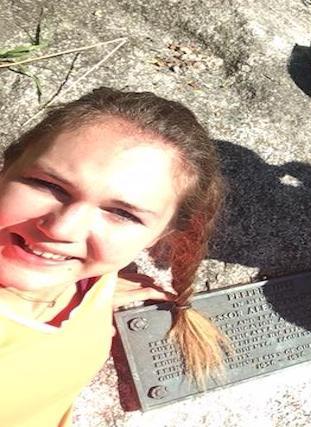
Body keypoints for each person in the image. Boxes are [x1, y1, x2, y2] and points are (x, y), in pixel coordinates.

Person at [0, 88, 228, 426]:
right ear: (6, 169)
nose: (63, 229)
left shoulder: (88, 280)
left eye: (122, 214)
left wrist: (90, 290)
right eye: (49, 186)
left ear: (159, 236)